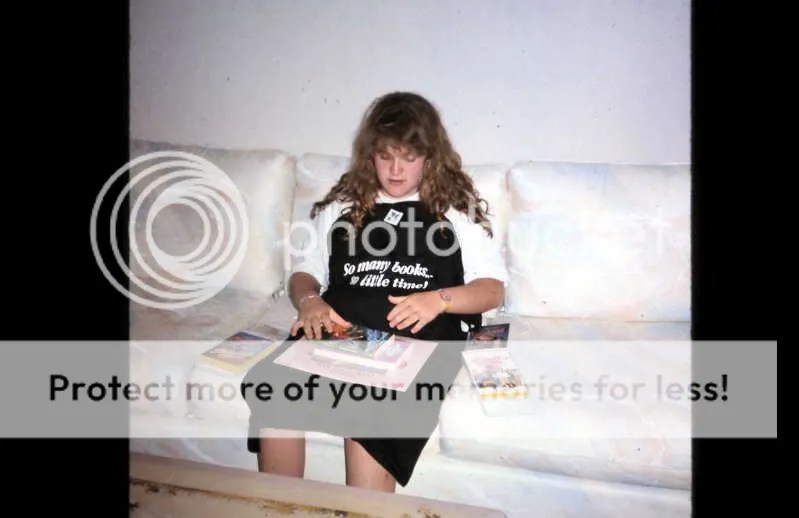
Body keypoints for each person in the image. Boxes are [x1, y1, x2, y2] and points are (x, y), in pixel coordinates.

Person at [241, 91, 508, 492]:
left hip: (417, 340)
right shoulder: (343, 206)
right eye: (385, 156)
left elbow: (491, 289)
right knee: (274, 388)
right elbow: (305, 272)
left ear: (430, 157)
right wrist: (310, 301)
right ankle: (276, 505)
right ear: (370, 155)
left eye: (409, 157)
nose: (396, 170)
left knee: (370, 408)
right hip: (342, 332)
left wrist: (439, 299)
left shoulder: (454, 211)